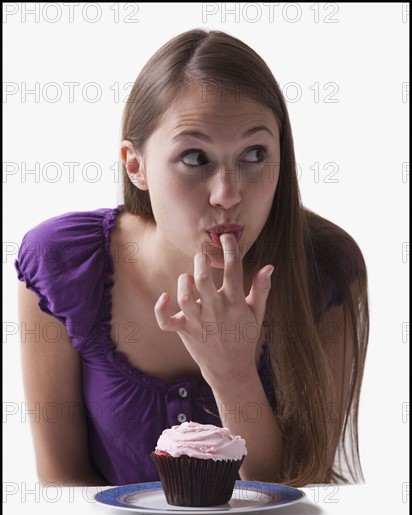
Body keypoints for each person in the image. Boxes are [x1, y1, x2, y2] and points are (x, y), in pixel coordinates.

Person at [15, 29, 369, 488]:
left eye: (255, 154)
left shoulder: (325, 269)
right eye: (196, 157)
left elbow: (295, 488)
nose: (227, 194)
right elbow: (63, 483)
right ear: (135, 165)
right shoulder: (62, 262)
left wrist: (232, 374)